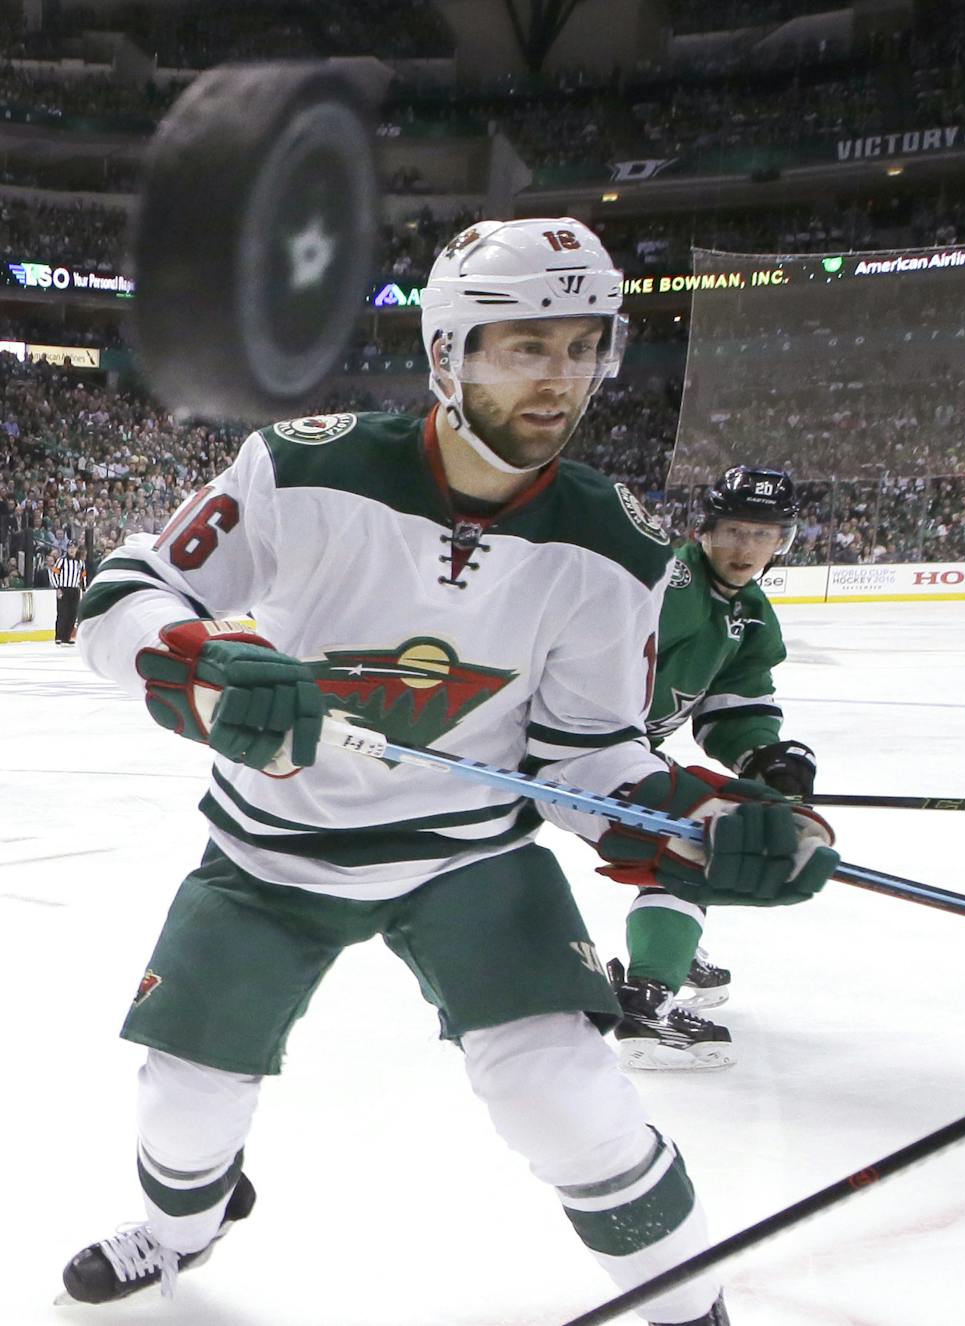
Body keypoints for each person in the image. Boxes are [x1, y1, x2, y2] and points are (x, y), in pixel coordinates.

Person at [67, 217, 838, 1324]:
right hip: (270, 853)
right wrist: (207, 673)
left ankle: (686, 1308)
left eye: (584, 347)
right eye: (526, 346)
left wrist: (707, 821)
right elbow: (120, 595)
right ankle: (185, 1228)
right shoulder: (302, 465)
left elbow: (591, 752)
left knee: (563, 1096)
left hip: (467, 860)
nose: (561, 380)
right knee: (183, 1103)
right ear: (446, 353)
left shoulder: (615, 547)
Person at [609, 467, 818, 1070]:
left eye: (763, 534)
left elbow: (738, 703)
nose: (745, 547)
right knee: (691, 844)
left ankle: (670, 935)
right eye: (733, 530)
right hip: (571, 745)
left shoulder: (748, 612)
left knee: (694, 833)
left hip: (621, 747)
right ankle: (648, 990)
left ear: (783, 541)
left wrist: (766, 758)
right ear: (705, 530)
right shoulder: (669, 584)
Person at [48, 541, 87, 643]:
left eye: (74, 547)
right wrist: (57, 588)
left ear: (77, 549)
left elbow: (83, 577)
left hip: (75, 590)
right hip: (64, 589)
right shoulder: (62, 561)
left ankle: (66, 637)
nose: (72, 549)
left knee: (72, 614)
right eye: (70, 547)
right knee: (62, 613)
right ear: (67, 549)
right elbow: (54, 574)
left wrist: (84, 590)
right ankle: (59, 637)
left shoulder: (80, 562)